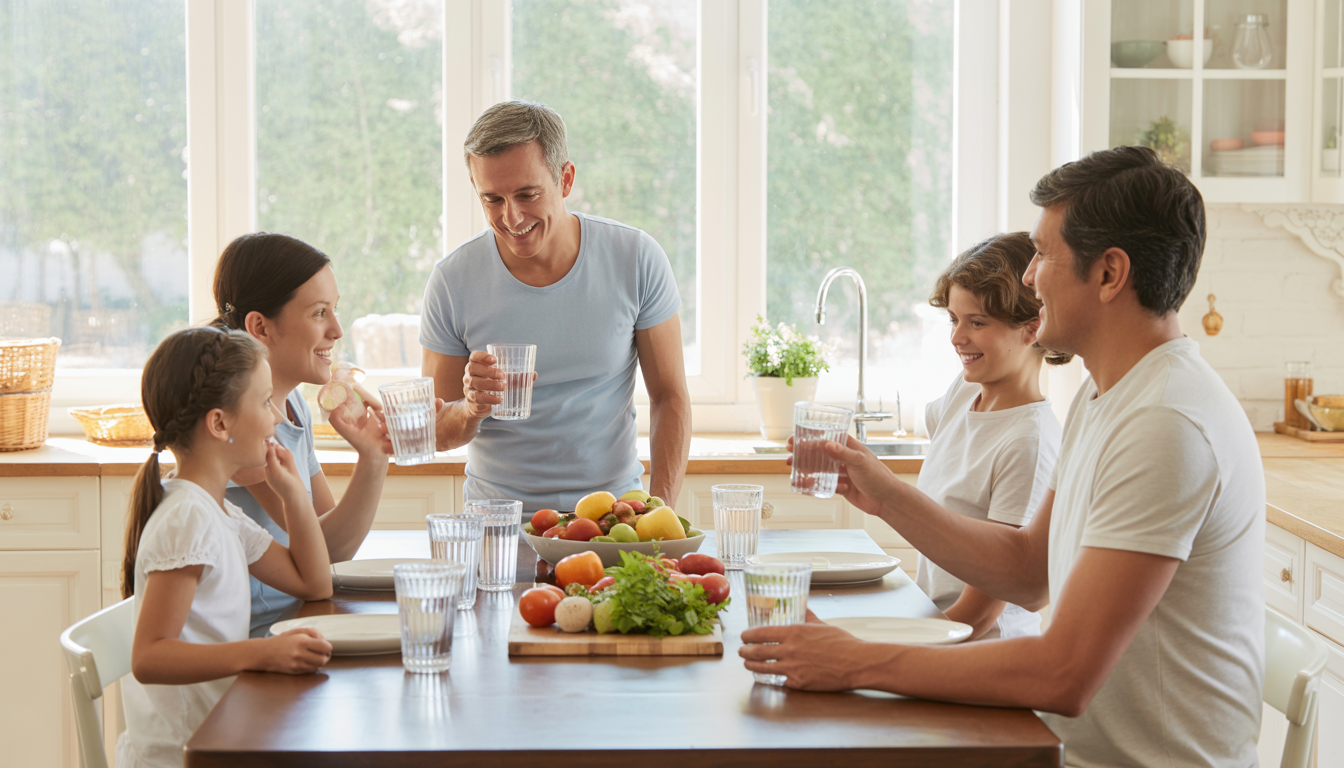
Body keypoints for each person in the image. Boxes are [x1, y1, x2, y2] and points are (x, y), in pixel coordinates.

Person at [740, 145, 1265, 767]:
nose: (1028, 276)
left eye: (1043, 254)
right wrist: (885, 495)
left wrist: (853, 660)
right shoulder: (1108, 397)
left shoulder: (1165, 423)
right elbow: (1027, 570)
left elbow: (1063, 672)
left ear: (1109, 274)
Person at [419, 100, 691, 512]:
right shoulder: (453, 280)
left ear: (565, 179)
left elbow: (670, 397)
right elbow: (435, 431)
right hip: (499, 526)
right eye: (492, 199)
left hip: (611, 520)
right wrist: (471, 409)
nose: (511, 217)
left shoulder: (635, 258)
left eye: (527, 194)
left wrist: (660, 513)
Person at [115, 327, 333, 768]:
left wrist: (293, 496)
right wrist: (262, 652)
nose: (275, 417)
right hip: (183, 753)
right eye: (264, 401)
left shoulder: (219, 512)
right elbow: (150, 656)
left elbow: (314, 584)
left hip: (222, 733)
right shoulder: (189, 519)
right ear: (219, 423)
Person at [213, 233, 392, 634]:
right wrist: (373, 459)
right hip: (259, 643)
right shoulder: (243, 427)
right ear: (260, 326)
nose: (338, 330)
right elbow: (325, 551)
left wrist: (374, 452)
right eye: (318, 313)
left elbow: (327, 542)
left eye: (335, 310)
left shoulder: (293, 405)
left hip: (297, 625)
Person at [917, 232, 1069, 640]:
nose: (956, 337)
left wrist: (888, 648)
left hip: (979, 651)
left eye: (977, 322)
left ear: (1032, 328)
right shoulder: (965, 392)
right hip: (937, 632)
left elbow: (978, 616)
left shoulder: (1030, 443)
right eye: (954, 319)